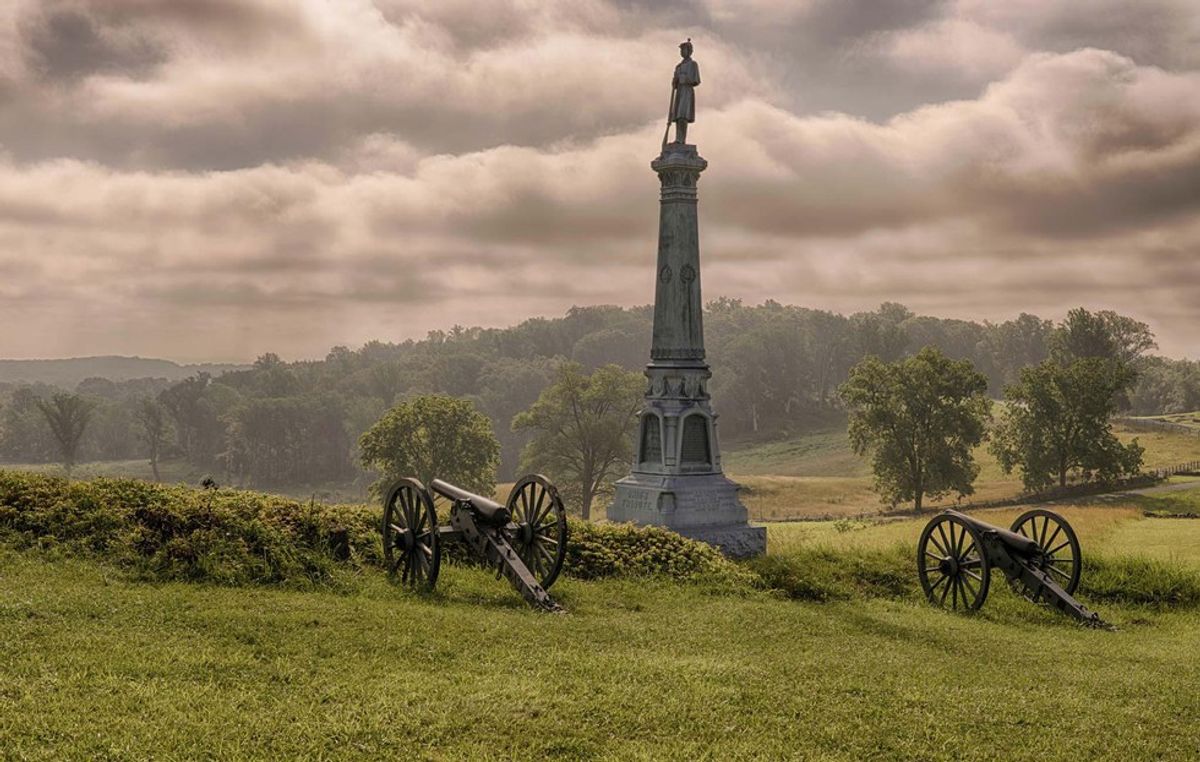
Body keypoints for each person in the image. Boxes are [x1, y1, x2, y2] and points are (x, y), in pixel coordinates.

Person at [669, 39, 700, 144]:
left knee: (683, 115)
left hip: (687, 91)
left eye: (684, 50)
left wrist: (684, 79)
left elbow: (696, 80)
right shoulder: (678, 66)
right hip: (680, 92)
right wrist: (675, 81)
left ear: (689, 51)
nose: (682, 52)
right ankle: (678, 138)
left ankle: (681, 139)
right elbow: (675, 85)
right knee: (678, 117)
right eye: (681, 50)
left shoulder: (693, 64)